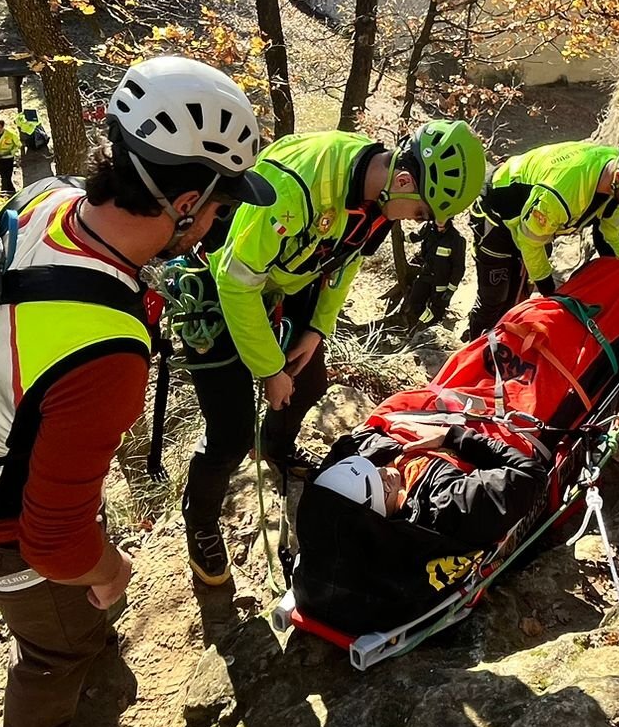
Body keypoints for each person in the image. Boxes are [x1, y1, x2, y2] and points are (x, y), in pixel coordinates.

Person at [0, 57, 272, 727]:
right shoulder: (106, 349)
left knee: (75, 595)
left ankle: (83, 651)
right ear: (183, 203)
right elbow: (53, 543)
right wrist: (110, 570)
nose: (219, 223)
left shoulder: (47, 200)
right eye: (218, 206)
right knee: (57, 640)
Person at [179, 120, 487, 586]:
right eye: (421, 213)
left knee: (309, 381)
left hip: (292, 277)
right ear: (404, 180)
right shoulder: (298, 187)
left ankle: (277, 447)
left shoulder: (378, 195)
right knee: (229, 432)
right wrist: (269, 369)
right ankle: (200, 523)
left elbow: (347, 258)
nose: (416, 221)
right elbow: (236, 283)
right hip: (223, 284)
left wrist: (318, 328)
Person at [465, 134, 619, 340]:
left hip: (537, 222)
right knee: (495, 298)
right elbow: (530, 243)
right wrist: (552, 295)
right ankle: (473, 347)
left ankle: (503, 349)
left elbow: (609, 241)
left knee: (518, 298)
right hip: (497, 213)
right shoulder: (564, 192)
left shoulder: (618, 186)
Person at [313, 419, 549, 548]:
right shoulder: (450, 504)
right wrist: (454, 439)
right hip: (507, 424)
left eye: (374, 469)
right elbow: (532, 474)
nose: (385, 471)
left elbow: (350, 444)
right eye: (381, 483)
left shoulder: (347, 475)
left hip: (438, 409)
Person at [17, 104, 54, 185]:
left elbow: (23, 140)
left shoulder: (24, 126)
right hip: (42, 150)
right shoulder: (38, 126)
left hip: (33, 151)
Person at [0, 116, 21, 195]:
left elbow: (18, 145)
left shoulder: (10, 134)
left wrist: (10, 152)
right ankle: (10, 190)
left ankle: (5, 191)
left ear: (2, 127)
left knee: (7, 175)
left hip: (8, 157)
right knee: (2, 173)